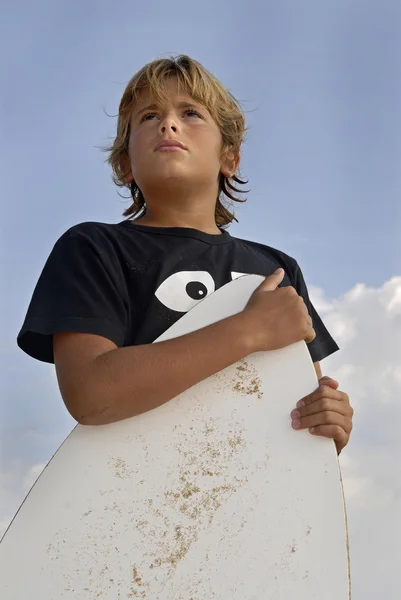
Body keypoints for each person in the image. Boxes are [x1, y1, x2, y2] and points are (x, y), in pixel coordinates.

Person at [17, 54, 353, 454]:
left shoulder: (277, 270)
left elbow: (301, 406)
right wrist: (249, 331)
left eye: (191, 113)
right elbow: (91, 394)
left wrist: (330, 422)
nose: (168, 123)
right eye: (148, 117)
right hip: (132, 500)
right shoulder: (92, 248)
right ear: (126, 163)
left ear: (230, 157)